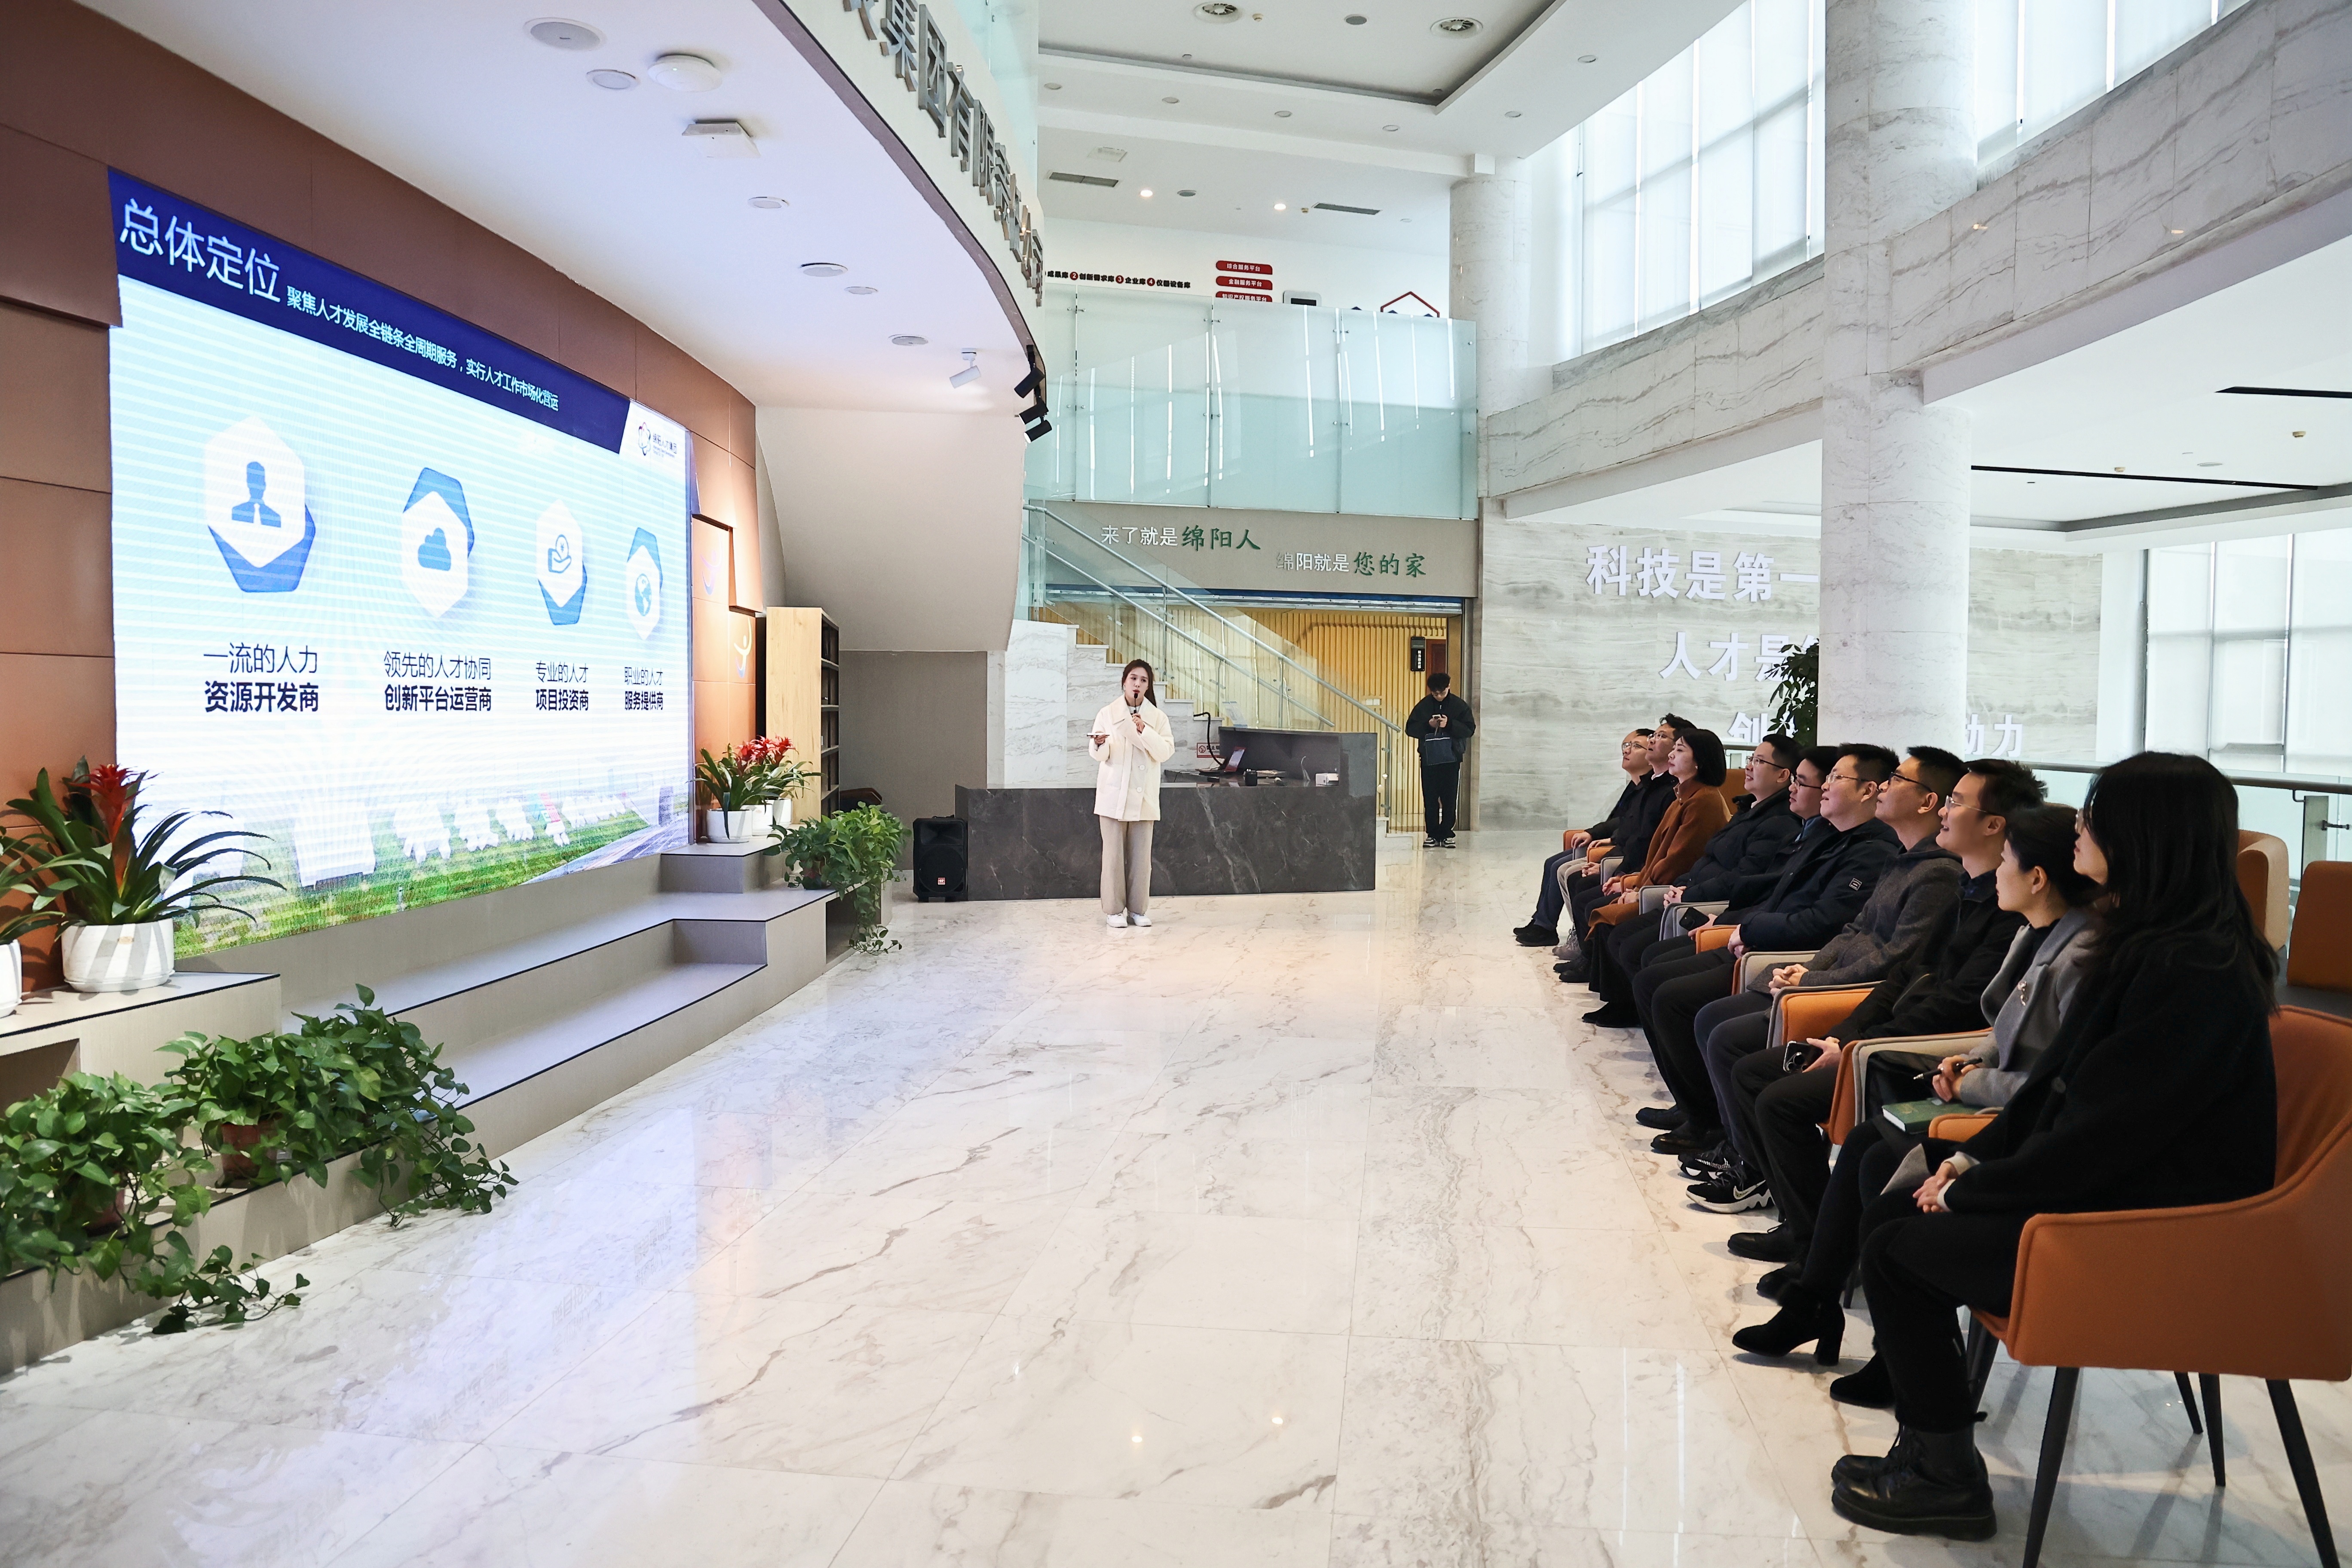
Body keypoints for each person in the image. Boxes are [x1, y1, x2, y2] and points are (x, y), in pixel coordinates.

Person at [1827, 753, 2277, 1543]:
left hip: (2161, 1222)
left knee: (1900, 1251)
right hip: (2121, 1186)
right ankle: (1930, 1447)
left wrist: (1973, 1188)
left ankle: (1945, 1478)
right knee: (1893, 1214)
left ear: (2143, 836)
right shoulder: (2143, 944)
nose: (2078, 827)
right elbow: (2055, 1089)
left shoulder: (2190, 969)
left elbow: (2107, 1132)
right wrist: (1966, 1162)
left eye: (2095, 816)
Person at [1730, 799, 2101, 1389]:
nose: (1998, 870)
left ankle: (1889, 1348)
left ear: (2036, 876)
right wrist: (1970, 1061)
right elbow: (1996, 1025)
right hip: (1975, 1084)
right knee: (1866, 1145)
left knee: (1878, 1157)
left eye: (2007, 859)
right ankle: (1816, 1299)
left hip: (2009, 1115)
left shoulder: (2080, 954)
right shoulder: (2034, 931)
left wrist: (1967, 1080)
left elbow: (2052, 1075)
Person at [1704, 758, 2043, 1233]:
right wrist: (1841, 1032)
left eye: (1956, 802)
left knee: (1776, 1094)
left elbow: (1953, 1002)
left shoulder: (1976, 896)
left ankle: (1806, 1231)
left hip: (1917, 1052)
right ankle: (1796, 1216)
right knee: (1743, 1060)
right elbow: (1899, 970)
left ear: (1994, 825)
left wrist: (1857, 1042)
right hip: (1880, 1030)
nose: (1945, 812)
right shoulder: (1961, 886)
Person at [1669, 747, 1967, 1193]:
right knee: (1708, 1016)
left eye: (1897, 781)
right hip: (1822, 981)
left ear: (1928, 801)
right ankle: (1740, 1150)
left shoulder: (1936, 873)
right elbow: (1853, 929)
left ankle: (1751, 1166)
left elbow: (1894, 959)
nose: (1886, 787)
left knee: (1727, 1036)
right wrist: (1805, 969)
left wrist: (1811, 981)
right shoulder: (1902, 858)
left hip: (1851, 998)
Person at [1629, 744, 1904, 1151]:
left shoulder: (1876, 851)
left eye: (1833, 778)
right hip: (1768, 945)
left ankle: (1711, 1124)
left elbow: (1827, 924)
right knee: (1654, 976)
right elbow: (1781, 895)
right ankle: (1700, 1113)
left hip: (1787, 957)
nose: (1824, 787)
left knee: (1684, 1004)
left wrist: (1758, 936)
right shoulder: (1829, 836)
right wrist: (1732, 922)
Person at [1581, 734, 1806, 1018]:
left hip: (1708, 904)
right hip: (1686, 893)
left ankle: (1633, 1010)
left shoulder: (1775, 822)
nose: (1749, 766)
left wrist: (1679, 891)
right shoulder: (1744, 809)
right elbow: (1684, 855)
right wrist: (1677, 885)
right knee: (1611, 923)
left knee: (1635, 948)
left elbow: (1738, 877)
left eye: (1758, 761)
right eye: (1751, 759)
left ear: (1782, 775)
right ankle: (1626, 1004)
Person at [1553, 716, 1686, 977]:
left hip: (1647, 876)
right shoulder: (1649, 785)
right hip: (1631, 865)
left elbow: (1657, 848)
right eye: (1653, 736)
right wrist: (1611, 855)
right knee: (1568, 874)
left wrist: (1627, 879)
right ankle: (1585, 956)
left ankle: (1590, 963)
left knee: (1585, 894)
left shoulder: (1674, 793)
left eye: (1661, 737)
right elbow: (1630, 830)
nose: (1653, 741)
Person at [1581, 728, 1733, 937]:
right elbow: (1654, 851)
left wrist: (1639, 892)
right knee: (1597, 908)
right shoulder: (1682, 796)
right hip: (1651, 884)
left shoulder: (1704, 801)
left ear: (1699, 761)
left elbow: (1677, 860)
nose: (1672, 755)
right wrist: (1636, 885)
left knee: (1611, 926)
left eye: (1680, 750)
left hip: (1669, 890)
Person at [1514, 728, 1652, 947]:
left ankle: (1565, 934)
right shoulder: (1635, 786)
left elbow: (1635, 830)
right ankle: (1542, 922)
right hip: (1615, 844)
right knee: (1552, 863)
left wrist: (1609, 839)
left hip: (1622, 852)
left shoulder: (1652, 790)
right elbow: (1622, 821)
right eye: (1626, 746)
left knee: (1563, 869)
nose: (1626, 751)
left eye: (1636, 746)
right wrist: (1595, 833)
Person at [1089, 658, 1174, 929]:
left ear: (1148, 687)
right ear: (1124, 682)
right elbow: (1100, 754)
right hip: (1113, 794)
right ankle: (1114, 910)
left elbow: (1165, 752)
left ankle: (1138, 909)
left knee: (1141, 859)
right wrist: (1099, 744)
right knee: (1113, 857)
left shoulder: (1157, 718)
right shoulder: (1107, 713)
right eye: (1133, 679)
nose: (1137, 684)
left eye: (1143, 680)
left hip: (1143, 796)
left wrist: (1144, 730)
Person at [1405, 671, 1476, 848]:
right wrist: (1428, 725)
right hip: (1429, 759)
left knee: (1450, 798)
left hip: (1451, 759)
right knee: (1430, 798)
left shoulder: (1459, 706)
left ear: (1449, 687)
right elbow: (1410, 728)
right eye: (1435, 693)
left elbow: (1470, 729)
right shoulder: (1424, 706)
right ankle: (1432, 834)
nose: (1438, 696)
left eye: (1442, 693)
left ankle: (1447, 834)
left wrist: (1449, 724)